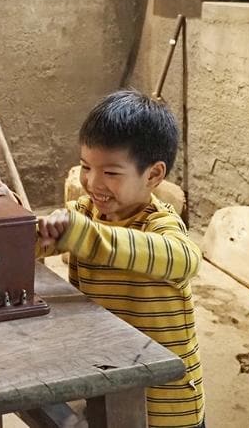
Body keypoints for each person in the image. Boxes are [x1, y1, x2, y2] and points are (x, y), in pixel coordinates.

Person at [37, 89, 204, 428]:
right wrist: (10, 214)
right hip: (108, 377)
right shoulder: (85, 213)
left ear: (153, 175)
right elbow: (35, 244)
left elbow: (186, 259)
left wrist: (87, 235)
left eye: (111, 173)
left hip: (164, 404)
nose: (92, 183)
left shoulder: (159, 223)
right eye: (86, 167)